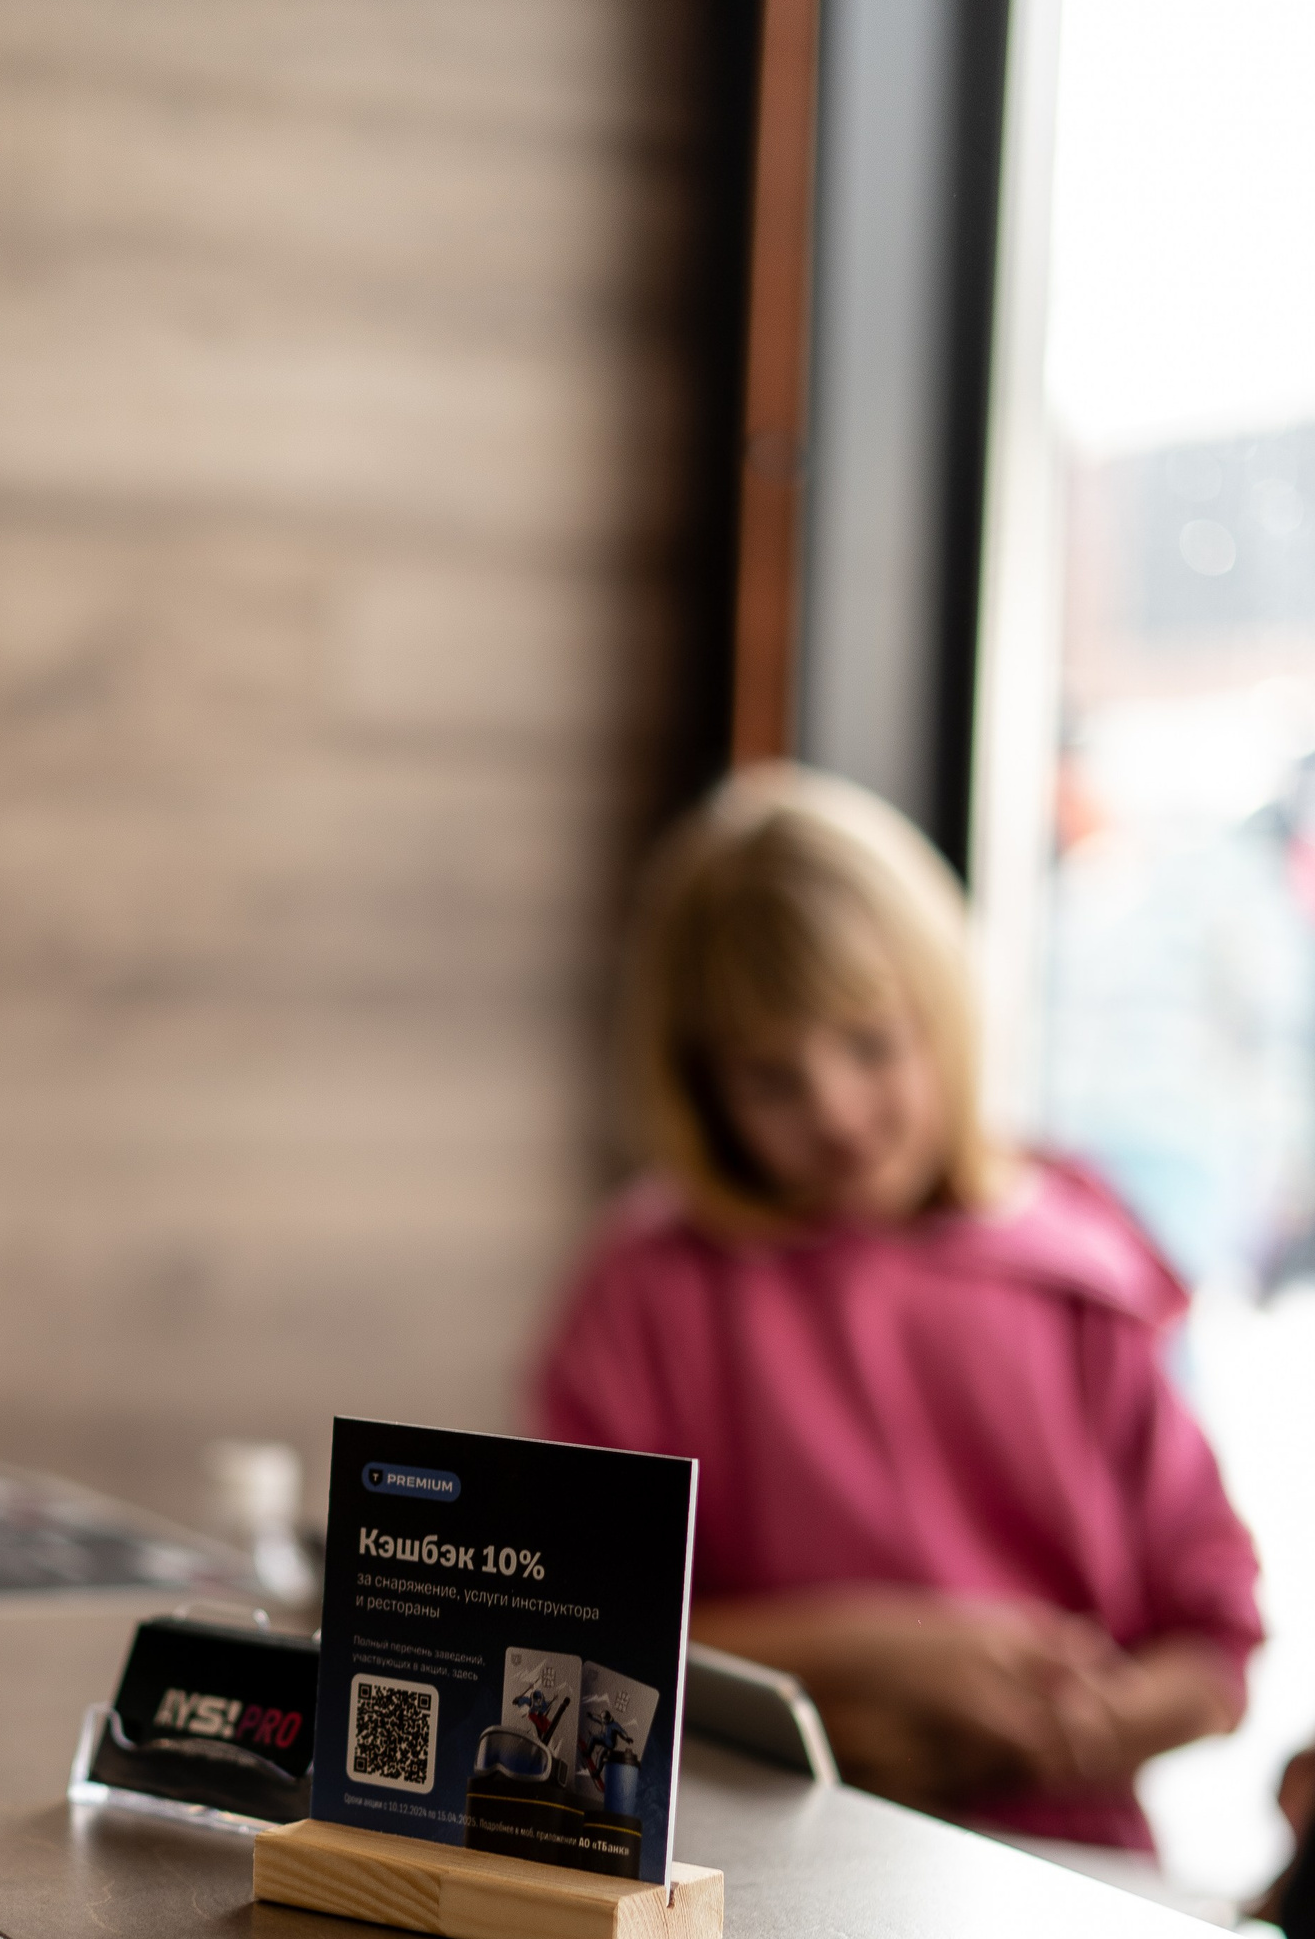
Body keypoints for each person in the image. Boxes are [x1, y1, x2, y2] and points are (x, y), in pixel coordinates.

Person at [532, 764, 1262, 1851]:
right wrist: (880, 1653)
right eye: (772, 1079)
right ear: (703, 1089)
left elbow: (1217, 1649)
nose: (834, 1110)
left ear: (944, 1014)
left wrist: (1072, 1735)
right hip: (749, 1851)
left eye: (870, 1044)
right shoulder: (652, 1287)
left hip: (1064, 1865)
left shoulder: (1081, 1271)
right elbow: (564, 1627)